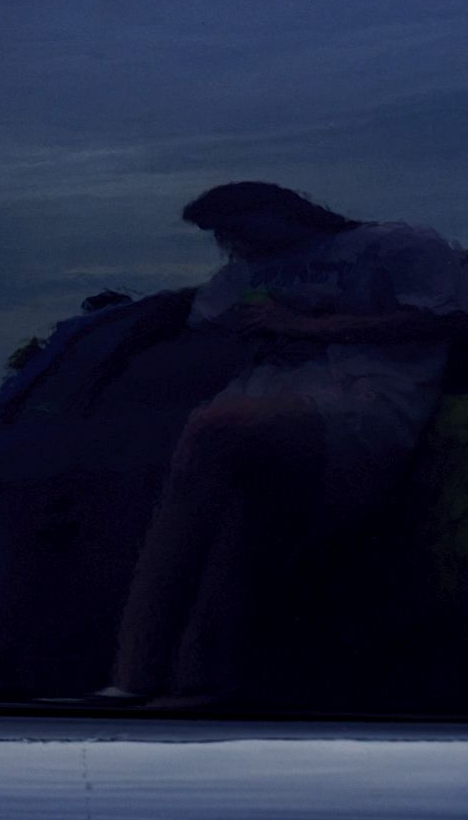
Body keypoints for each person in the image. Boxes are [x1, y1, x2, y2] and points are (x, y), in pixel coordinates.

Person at [110, 181, 468, 700]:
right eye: (218, 235)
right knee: (240, 518)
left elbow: (448, 317)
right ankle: (189, 683)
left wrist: (307, 325)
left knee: (215, 427)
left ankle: (132, 676)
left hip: (367, 396)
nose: (229, 243)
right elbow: (200, 322)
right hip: (273, 396)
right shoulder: (242, 274)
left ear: (278, 212)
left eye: (235, 228)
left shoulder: (393, 244)